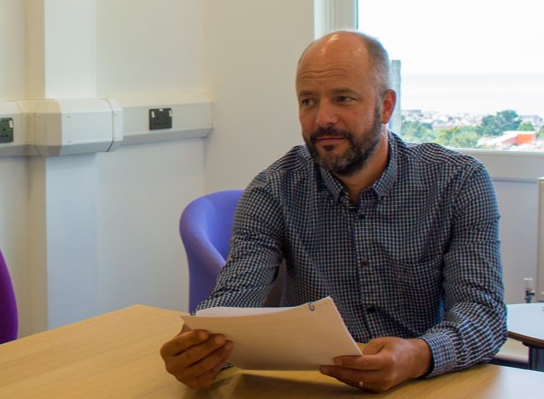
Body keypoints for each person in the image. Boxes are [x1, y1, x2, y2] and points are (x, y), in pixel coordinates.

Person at [160, 30, 507, 393]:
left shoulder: (458, 182)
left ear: (385, 106)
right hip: (314, 386)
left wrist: (417, 355)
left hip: (421, 384)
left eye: (343, 99)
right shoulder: (273, 190)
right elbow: (234, 302)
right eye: (308, 101)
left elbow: (484, 314)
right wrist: (201, 350)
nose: (323, 118)